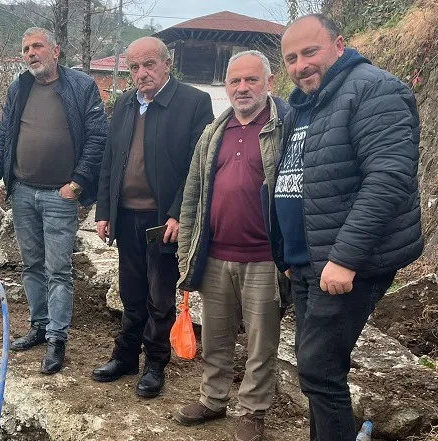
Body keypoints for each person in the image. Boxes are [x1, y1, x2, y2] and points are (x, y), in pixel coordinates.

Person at [273, 14, 422, 441]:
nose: (300, 65)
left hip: (344, 263)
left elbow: (388, 179)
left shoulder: (374, 89)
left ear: (339, 46)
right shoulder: (304, 104)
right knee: (316, 370)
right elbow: (296, 178)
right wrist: (287, 253)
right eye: (291, 58)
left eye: (310, 52)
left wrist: (344, 259)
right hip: (308, 263)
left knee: (319, 370)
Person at [173, 50, 289, 441]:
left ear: (269, 82)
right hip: (215, 255)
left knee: (261, 343)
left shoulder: (284, 128)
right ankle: (213, 399)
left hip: (264, 259)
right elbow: (192, 195)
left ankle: (253, 412)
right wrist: (187, 253)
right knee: (216, 338)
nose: (242, 88)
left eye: (251, 79)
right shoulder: (213, 133)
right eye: (235, 81)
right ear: (226, 86)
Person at [92, 36, 213, 398]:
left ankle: (156, 363)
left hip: (163, 221)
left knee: (160, 297)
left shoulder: (193, 102)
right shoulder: (126, 103)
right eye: (134, 67)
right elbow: (110, 160)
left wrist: (178, 213)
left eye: (149, 65)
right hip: (126, 215)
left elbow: (198, 167)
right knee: (130, 291)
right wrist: (104, 211)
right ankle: (126, 356)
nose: (141, 73)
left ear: (166, 64)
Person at [0, 27, 107, 374]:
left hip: (60, 195)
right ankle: (39, 326)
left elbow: (98, 137)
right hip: (22, 191)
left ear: (56, 50)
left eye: (37, 46)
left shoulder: (81, 86)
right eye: (26, 49)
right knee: (32, 265)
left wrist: (78, 183)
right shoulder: (20, 87)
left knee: (58, 269)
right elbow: (4, 135)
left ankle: (56, 338)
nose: (30, 53)